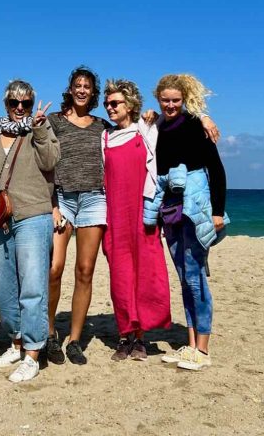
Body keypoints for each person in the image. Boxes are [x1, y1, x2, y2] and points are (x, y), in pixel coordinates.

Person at [142, 73, 228, 372]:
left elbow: (216, 170)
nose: (170, 105)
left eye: (175, 100)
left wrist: (218, 211)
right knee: (183, 276)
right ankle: (190, 344)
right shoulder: (158, 127)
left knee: (195, 275)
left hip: (195, 208)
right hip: (170, 207)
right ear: (158, 98)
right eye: (165, 100)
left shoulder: (195, 125)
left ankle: (202, 348)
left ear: (184, 99)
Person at [0, 80, 59, 383]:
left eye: (25, 103)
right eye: (14, 103)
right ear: (5, 104)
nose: (19, 108)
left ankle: (32, 353)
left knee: (32, 288)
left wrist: (39, 128)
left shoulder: (39, 128)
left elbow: (51, 161)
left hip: (32, 215)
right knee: (3, 287)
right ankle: (15, 342)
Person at [101, 78, 172, 361]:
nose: (110, 107)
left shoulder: (147, 130)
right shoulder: (104, 138)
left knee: (146, 274)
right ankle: (124, 335)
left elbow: (178, 120)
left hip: (143, 215)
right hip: (115, 216)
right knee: (120, 277)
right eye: (107, 103)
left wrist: (204, 118)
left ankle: (141, 337)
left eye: (115, 103)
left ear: (129, 105)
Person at [45, 66, 109, 365]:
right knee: (54, 268)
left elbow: (136, 134)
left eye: (87, 86)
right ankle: (49, 333)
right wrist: (52, 204)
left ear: (93, 93)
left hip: (95, 199)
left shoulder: (102, 126)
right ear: (70, 90)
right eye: (77, 85)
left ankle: (74, 339)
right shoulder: (55, 122)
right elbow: (44, 163)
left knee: (85, 270)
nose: (82, 90)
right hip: (63, 200)